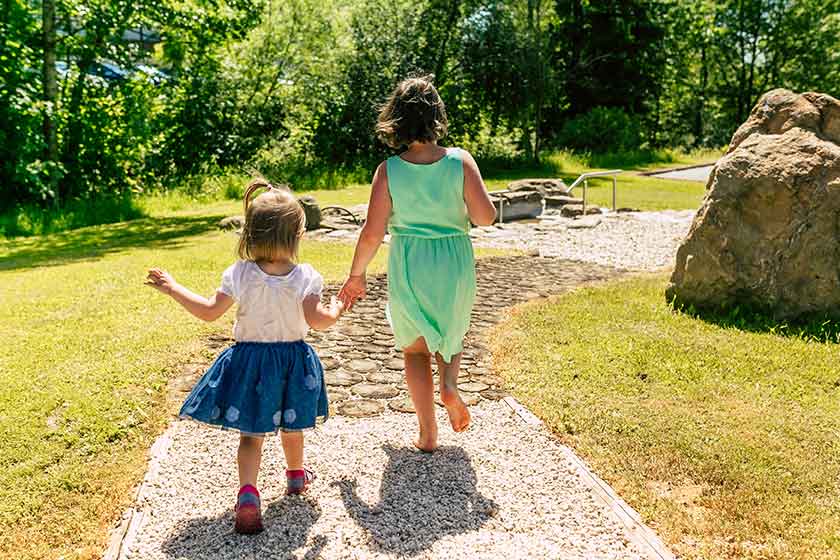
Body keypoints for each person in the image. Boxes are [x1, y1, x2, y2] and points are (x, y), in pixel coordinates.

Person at [145, 180, 344, 534]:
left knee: (251, 435)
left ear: (251, 234)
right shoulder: (305, 277)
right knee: (293, 423)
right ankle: (296, 476)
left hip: (249, 364)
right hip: (292, 362)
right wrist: (337, 306)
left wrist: (173, 288)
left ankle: (249, 494)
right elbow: (319, 322)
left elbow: (208, 312)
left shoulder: (239, 273)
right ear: (296, 235)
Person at [339, 75, 496, 452]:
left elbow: (372, 232)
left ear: (396, 119)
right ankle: (450, 386)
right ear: (438, 115)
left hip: (409, 260)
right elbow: (485, 217)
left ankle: (427, 432)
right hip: (452, 258)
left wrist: (356, 275)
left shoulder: (389, 170)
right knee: (451, 330)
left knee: (415, 349)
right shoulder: (460, 161)